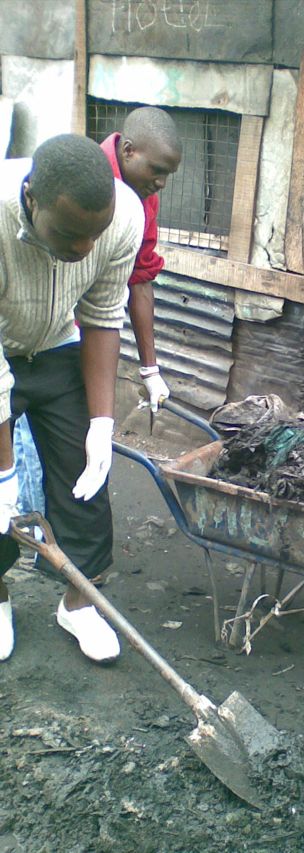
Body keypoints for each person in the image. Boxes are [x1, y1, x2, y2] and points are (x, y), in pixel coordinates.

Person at [0, 134, 144, 663]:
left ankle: (79, 605)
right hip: (2, 345)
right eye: (68, 234)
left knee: (86, 485)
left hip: (59, 345)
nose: (84, 248)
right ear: (32, 199)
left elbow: (105, 314)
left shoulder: (125, 216)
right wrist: (4, 475)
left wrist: (101, 423)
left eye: (94, 235)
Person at [100, 107, 182, 412]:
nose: (161, 182)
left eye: (168, 175)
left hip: (97, 327)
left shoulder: (145, 198)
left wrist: (150, 370)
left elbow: (141, 276)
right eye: (157, 170)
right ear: (129, 151)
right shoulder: (89, 180)